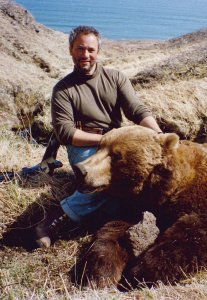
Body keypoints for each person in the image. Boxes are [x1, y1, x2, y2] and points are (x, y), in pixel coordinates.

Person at [35, 26, 162, 247]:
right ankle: (55, 218)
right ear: (71, 51)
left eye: (90, 50)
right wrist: (106, 140)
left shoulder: (115, 78)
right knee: (107, 181)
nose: (85, 55)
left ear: (98, 51)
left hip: (116, 144)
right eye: (80, 49)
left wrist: (159, 135)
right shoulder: (63, 90)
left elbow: (137, 111)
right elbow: (65, 132)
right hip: (84, 145)